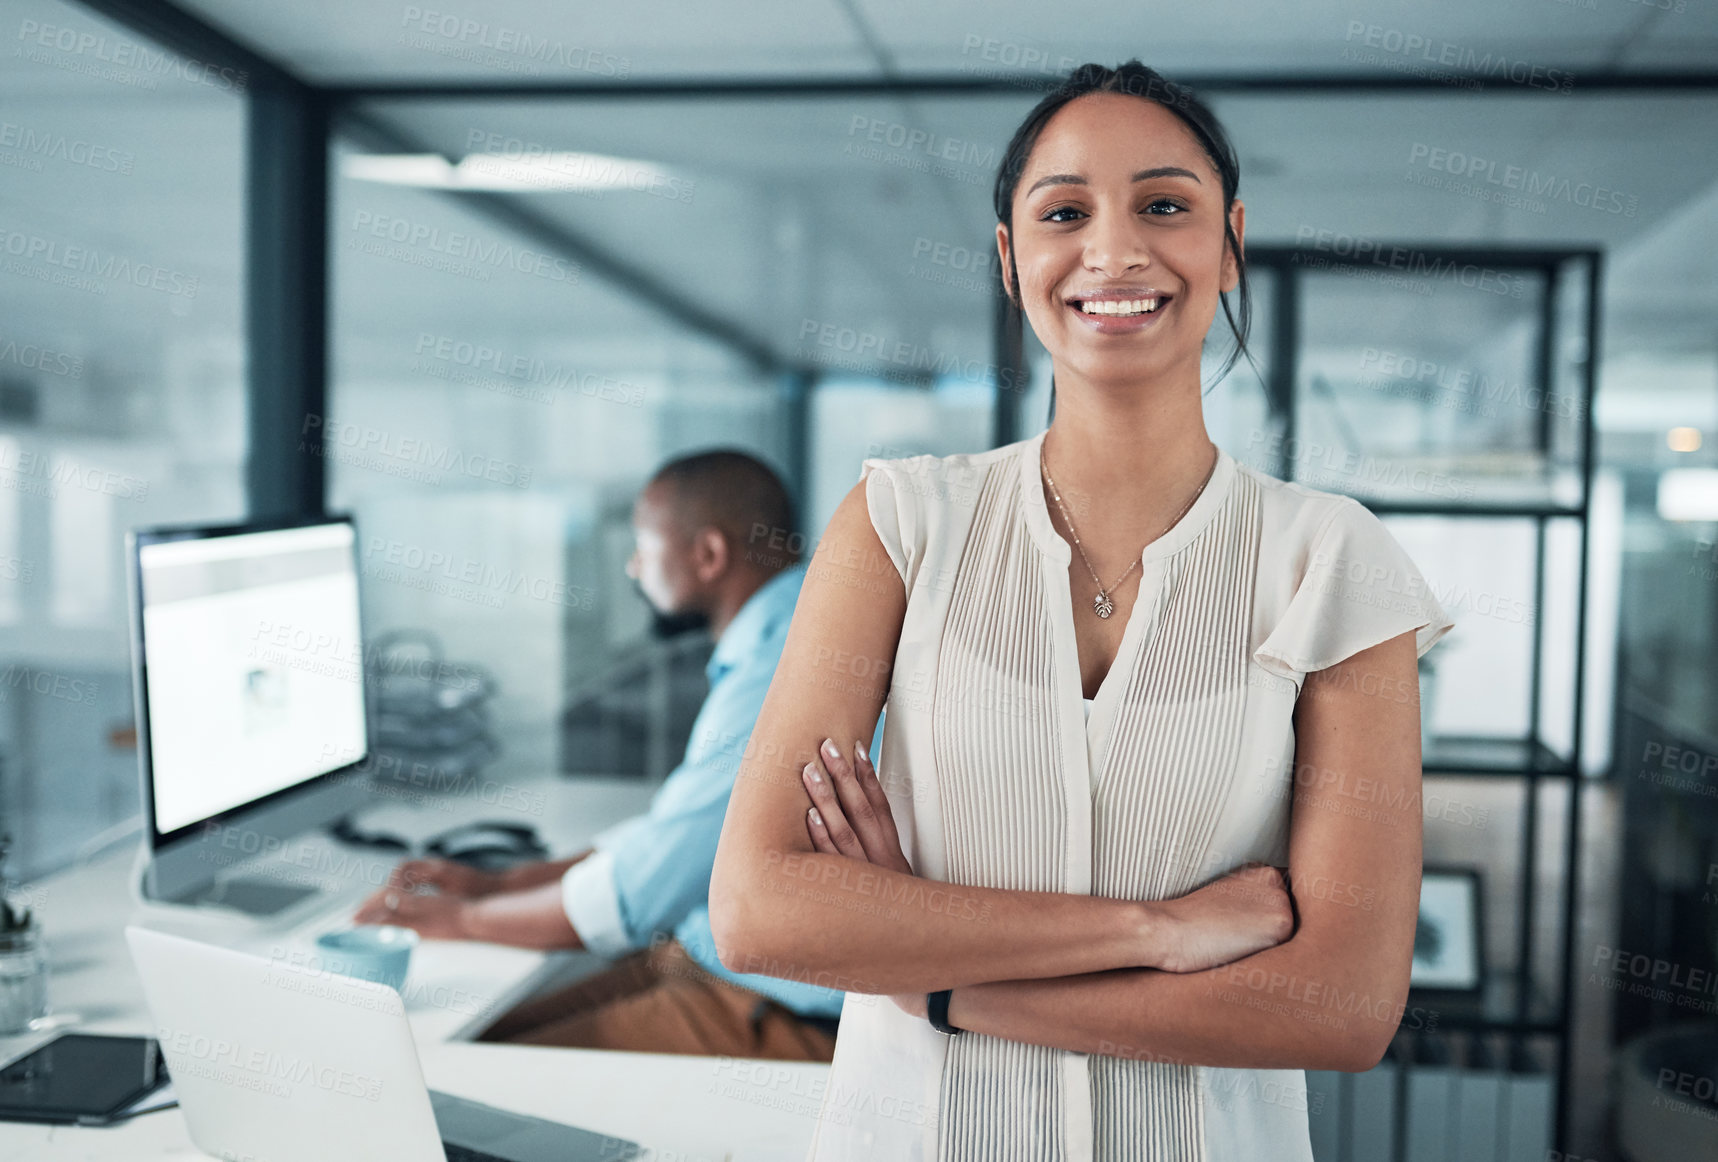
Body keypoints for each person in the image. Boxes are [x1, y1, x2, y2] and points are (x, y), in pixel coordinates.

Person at [709, 61, 1456, 1159]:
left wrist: (940, 980)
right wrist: (1158, 932)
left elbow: (1336, 1009)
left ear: (1229, 241)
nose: (1113, 250)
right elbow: (760, 911)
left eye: (1164, 205)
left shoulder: (1330, 559)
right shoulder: (897, 523)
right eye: (1064, 212)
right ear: (1011, 260)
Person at [356, 449, 865, 1062]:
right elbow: (673, 836)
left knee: (445, 1073)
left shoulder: (779, 666)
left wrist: (464, 918)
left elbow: (638, 894)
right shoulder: (792, 631)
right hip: (704, 963)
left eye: (644, 548)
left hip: (770, 1008)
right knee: (478, 1038)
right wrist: (505, 881)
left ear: (708, 556)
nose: (632, 567)